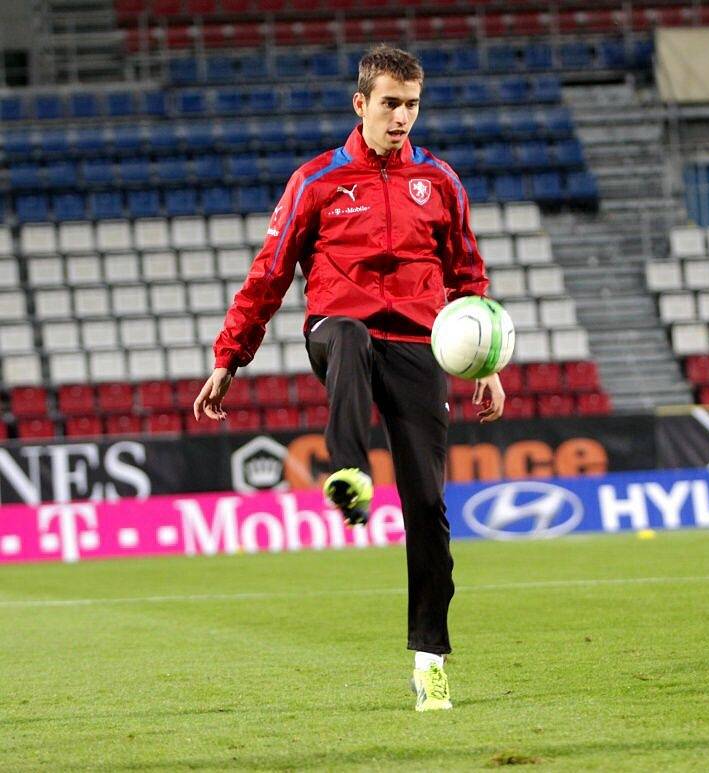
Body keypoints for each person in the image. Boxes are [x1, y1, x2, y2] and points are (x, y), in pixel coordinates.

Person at [193, 44, 505, 712]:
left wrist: (487, 364)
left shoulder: (441, 181)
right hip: (337, 334)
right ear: (360, 103)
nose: (401, 117)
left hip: (420, 346)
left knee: (427, 505)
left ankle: (429, 660)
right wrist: (229, 356)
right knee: (350, 335)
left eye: (411, 105)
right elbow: (269, 273)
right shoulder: (317, 181)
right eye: (390, 103)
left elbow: (468, 275)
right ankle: (349, 470)